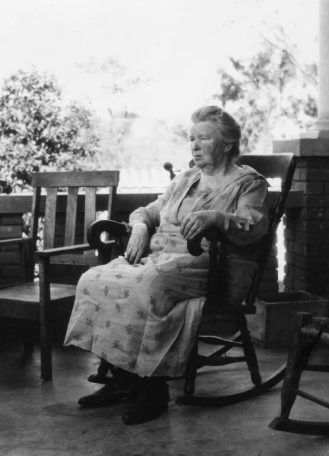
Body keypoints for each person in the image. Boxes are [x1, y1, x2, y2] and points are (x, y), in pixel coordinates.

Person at [63, 106, 269, 425]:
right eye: (192, 139)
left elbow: (251, 224)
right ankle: (123, 378)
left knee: (150, 284)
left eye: (204, 138)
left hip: (215, 266)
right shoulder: (186, 178)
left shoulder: (248, 182)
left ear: (228, 144)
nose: (195, 145)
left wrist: (216, 217)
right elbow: (151, 210)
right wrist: (142, 227)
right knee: (93, 278)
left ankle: (152, 388)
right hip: (162, 257)